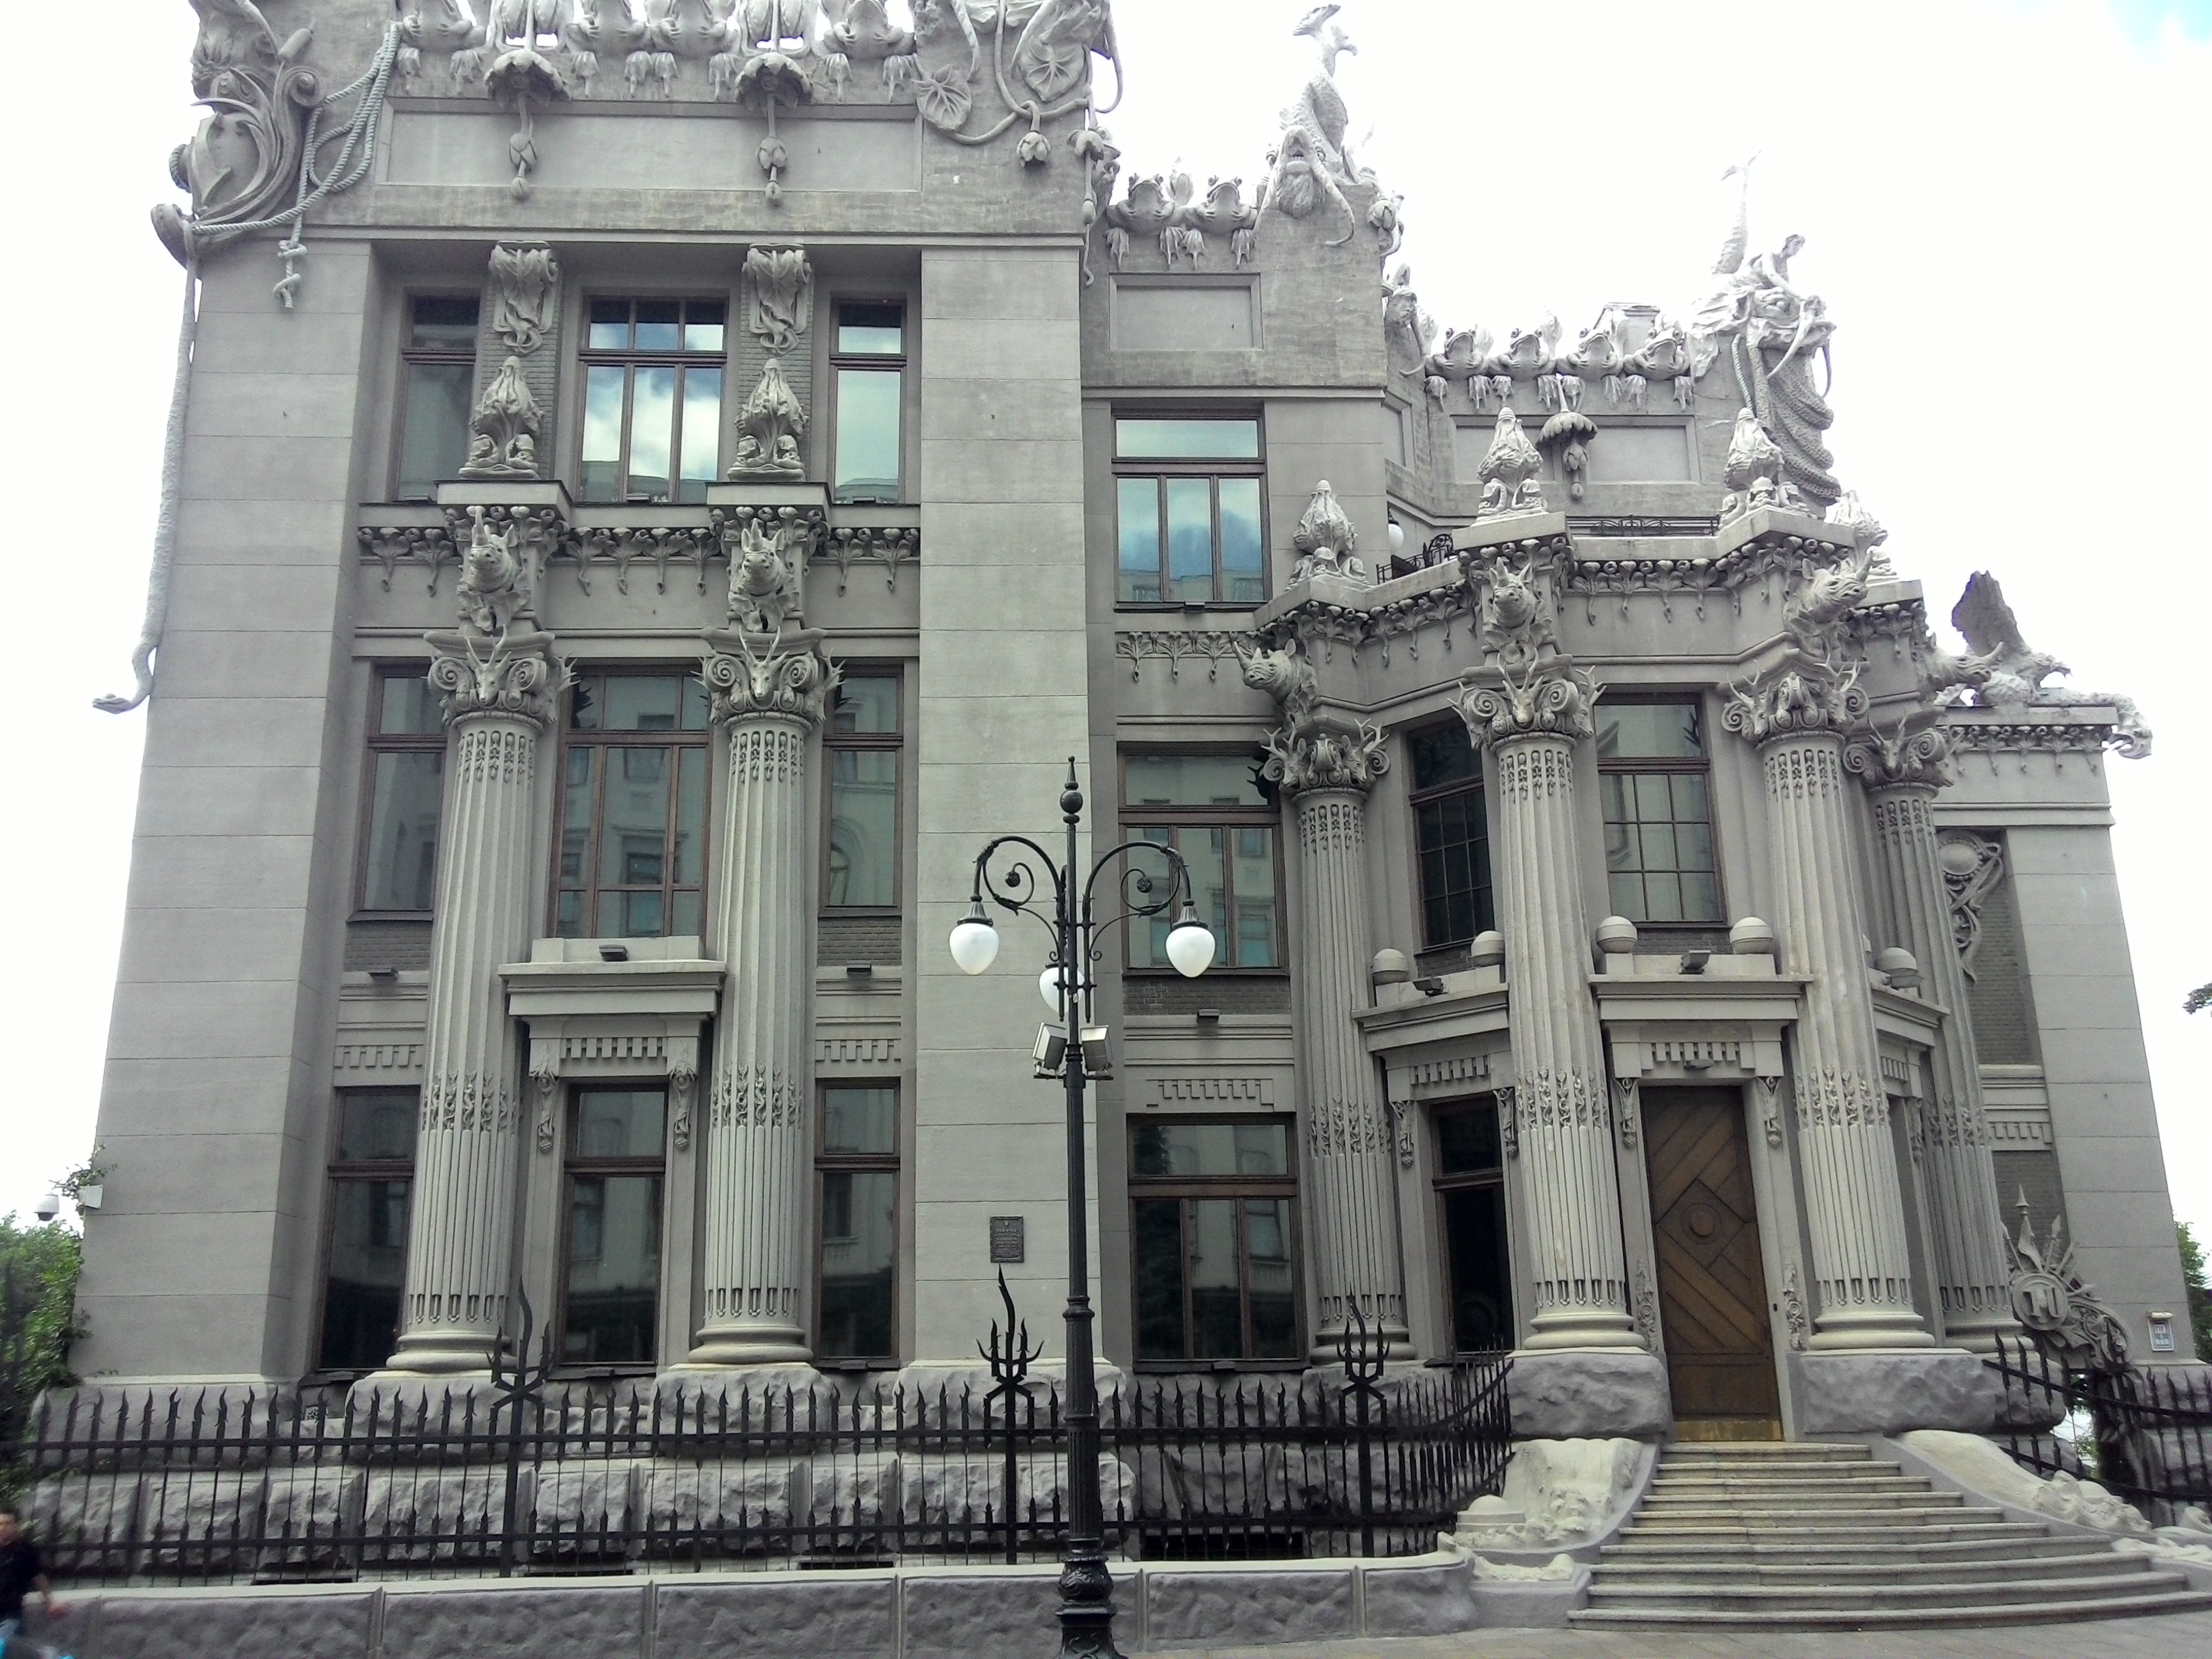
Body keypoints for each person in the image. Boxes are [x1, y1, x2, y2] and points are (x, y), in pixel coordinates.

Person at [0, 1506, 63, 1653]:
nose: (3, 1528)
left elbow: (38, 1576)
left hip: (10, 1614)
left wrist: (51, 1601)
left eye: (8, 1523)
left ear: (16, 1525)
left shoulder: (25, 1549)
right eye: (0, 1524)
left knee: (3, 1648)